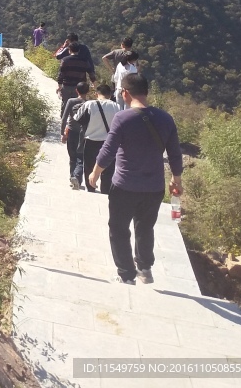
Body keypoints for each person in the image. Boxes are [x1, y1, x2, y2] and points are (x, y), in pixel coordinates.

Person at [89, 73, 183, 284]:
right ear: (146, 92)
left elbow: (108, 150)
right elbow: (175, 154)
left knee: (119, 228)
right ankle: (145, 268)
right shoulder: (166, 119)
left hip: (125, 186)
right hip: (154, 187)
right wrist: (177, 179)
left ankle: (126, 274)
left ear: (124, 93)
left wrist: (95, 172)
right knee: (145, 227)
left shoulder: (123, 118)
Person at [72, 83, 118, 193]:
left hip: (91, 142)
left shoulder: (89, 104)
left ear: (97, 93)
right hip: (109, 143)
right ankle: (105, 192)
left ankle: (91, 190)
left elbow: (77, 118)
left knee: (89, 168)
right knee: (108, 171)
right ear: (110, 95)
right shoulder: (117, 107)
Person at [60, 81, 89, 189]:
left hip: (71, 131)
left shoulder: (71, 101)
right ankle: (76, 178)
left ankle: (73, 177)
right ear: (88, 91)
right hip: (84, 134)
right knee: (80, 157)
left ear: (76, 90)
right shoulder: (89, 103)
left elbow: (64, 118)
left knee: (72, 157)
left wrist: (62, 133)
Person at [55, 42, 95, 112]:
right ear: (79, 50)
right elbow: (90, 72)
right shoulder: (84, 61)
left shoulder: (65, 60)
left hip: (66, 85)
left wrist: (59, 85)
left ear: (69, 50)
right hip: (79, 87)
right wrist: (94, 83)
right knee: (76, 106)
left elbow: (61, 73)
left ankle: (63, 120)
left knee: (65, 104)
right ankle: (73, 121)